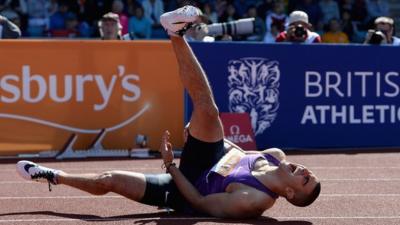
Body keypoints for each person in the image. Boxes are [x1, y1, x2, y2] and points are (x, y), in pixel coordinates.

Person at [16, 6, 321, 218]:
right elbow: (237, 153)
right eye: (309, 173)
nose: (304, 171)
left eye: (305, 180)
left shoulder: (252, 201)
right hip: (212, 154)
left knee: (109, 180)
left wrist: (171, 166)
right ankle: (176, 33)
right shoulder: (276, 155)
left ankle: (53, 175)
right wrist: (202, 135)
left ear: (291, 195)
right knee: (208, 110)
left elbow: (200, 203)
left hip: (183, 187)